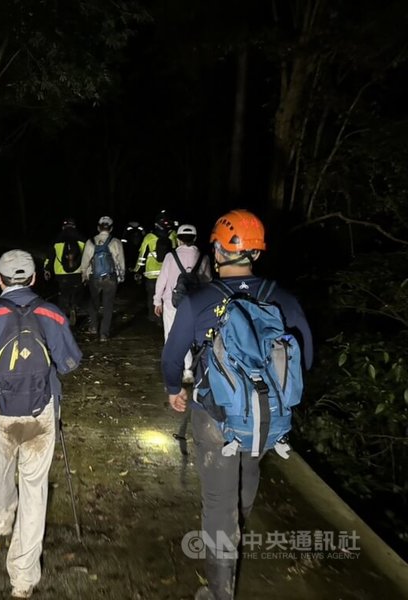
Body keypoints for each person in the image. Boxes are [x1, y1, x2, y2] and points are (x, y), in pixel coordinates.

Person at [161, 210, 313, 600]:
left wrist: (173, 387)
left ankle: (219, 590)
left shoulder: (201, 300)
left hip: (215, 414)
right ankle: (239, 519)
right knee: (248, 473)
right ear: (256, 254)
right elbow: (305, 358)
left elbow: (172, 355)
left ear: (217, 249)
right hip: (266, 417)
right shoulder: (283, 298)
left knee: (217, 500)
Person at [0, 250, 82, 599]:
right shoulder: (51, 314)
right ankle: (23, 578)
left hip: (3, 415)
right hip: (41, 414)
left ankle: (0, 516)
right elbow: (70, 362)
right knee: (35, 490)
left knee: (1, 472)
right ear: (35, 278)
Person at [153, 223, 211, 383]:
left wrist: (157, 300)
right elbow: (207, 281)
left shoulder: (170, 257)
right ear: (195, 238)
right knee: (191, 336)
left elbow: (162, 280)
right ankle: (188, 371)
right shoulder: (203, 257)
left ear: (177, 239)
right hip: (195, 304)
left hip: (172, 302)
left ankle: (173, 371)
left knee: (171, 336)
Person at [80, 216, 125, 341]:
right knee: (108, 305)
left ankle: (93, 327)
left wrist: (84, 275)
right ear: (111, 228)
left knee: (93, 303)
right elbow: (121, 262)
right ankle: (104, 334)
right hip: (110, 278)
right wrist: (121, 277)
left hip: (94, 278)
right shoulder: (116, 242)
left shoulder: (91, 242)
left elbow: (85, 262)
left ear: (98, 227)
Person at [134, 210, 178, 323]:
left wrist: (137, 270)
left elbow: (142, 257)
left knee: (152, 296)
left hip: (151, 274)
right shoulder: (173, 235)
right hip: (168, 273)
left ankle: (153, 317)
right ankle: (166, 318)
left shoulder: (149, 237)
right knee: (167, 295)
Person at [43, 217, 87, 324]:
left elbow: (50, 257)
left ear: (63, 227)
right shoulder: (82, 239)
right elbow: (87, 255)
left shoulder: (57, 239)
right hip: (78, 272)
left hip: (61, 273)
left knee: (63, 292)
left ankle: (63, 314)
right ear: (74, 226)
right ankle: (74, 306)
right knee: (77, 291)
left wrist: (47, 269)